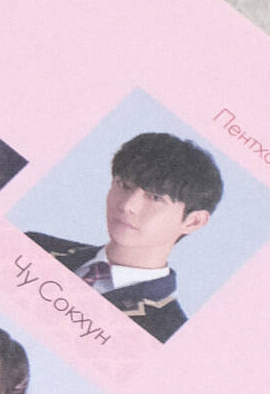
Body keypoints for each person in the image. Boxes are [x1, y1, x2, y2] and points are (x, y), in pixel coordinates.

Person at [27, 130, 224, 342]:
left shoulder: (167, 336)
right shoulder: (34, 247)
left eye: (155, 197)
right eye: (124, 185)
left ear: (193, 221)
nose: (128, 205)